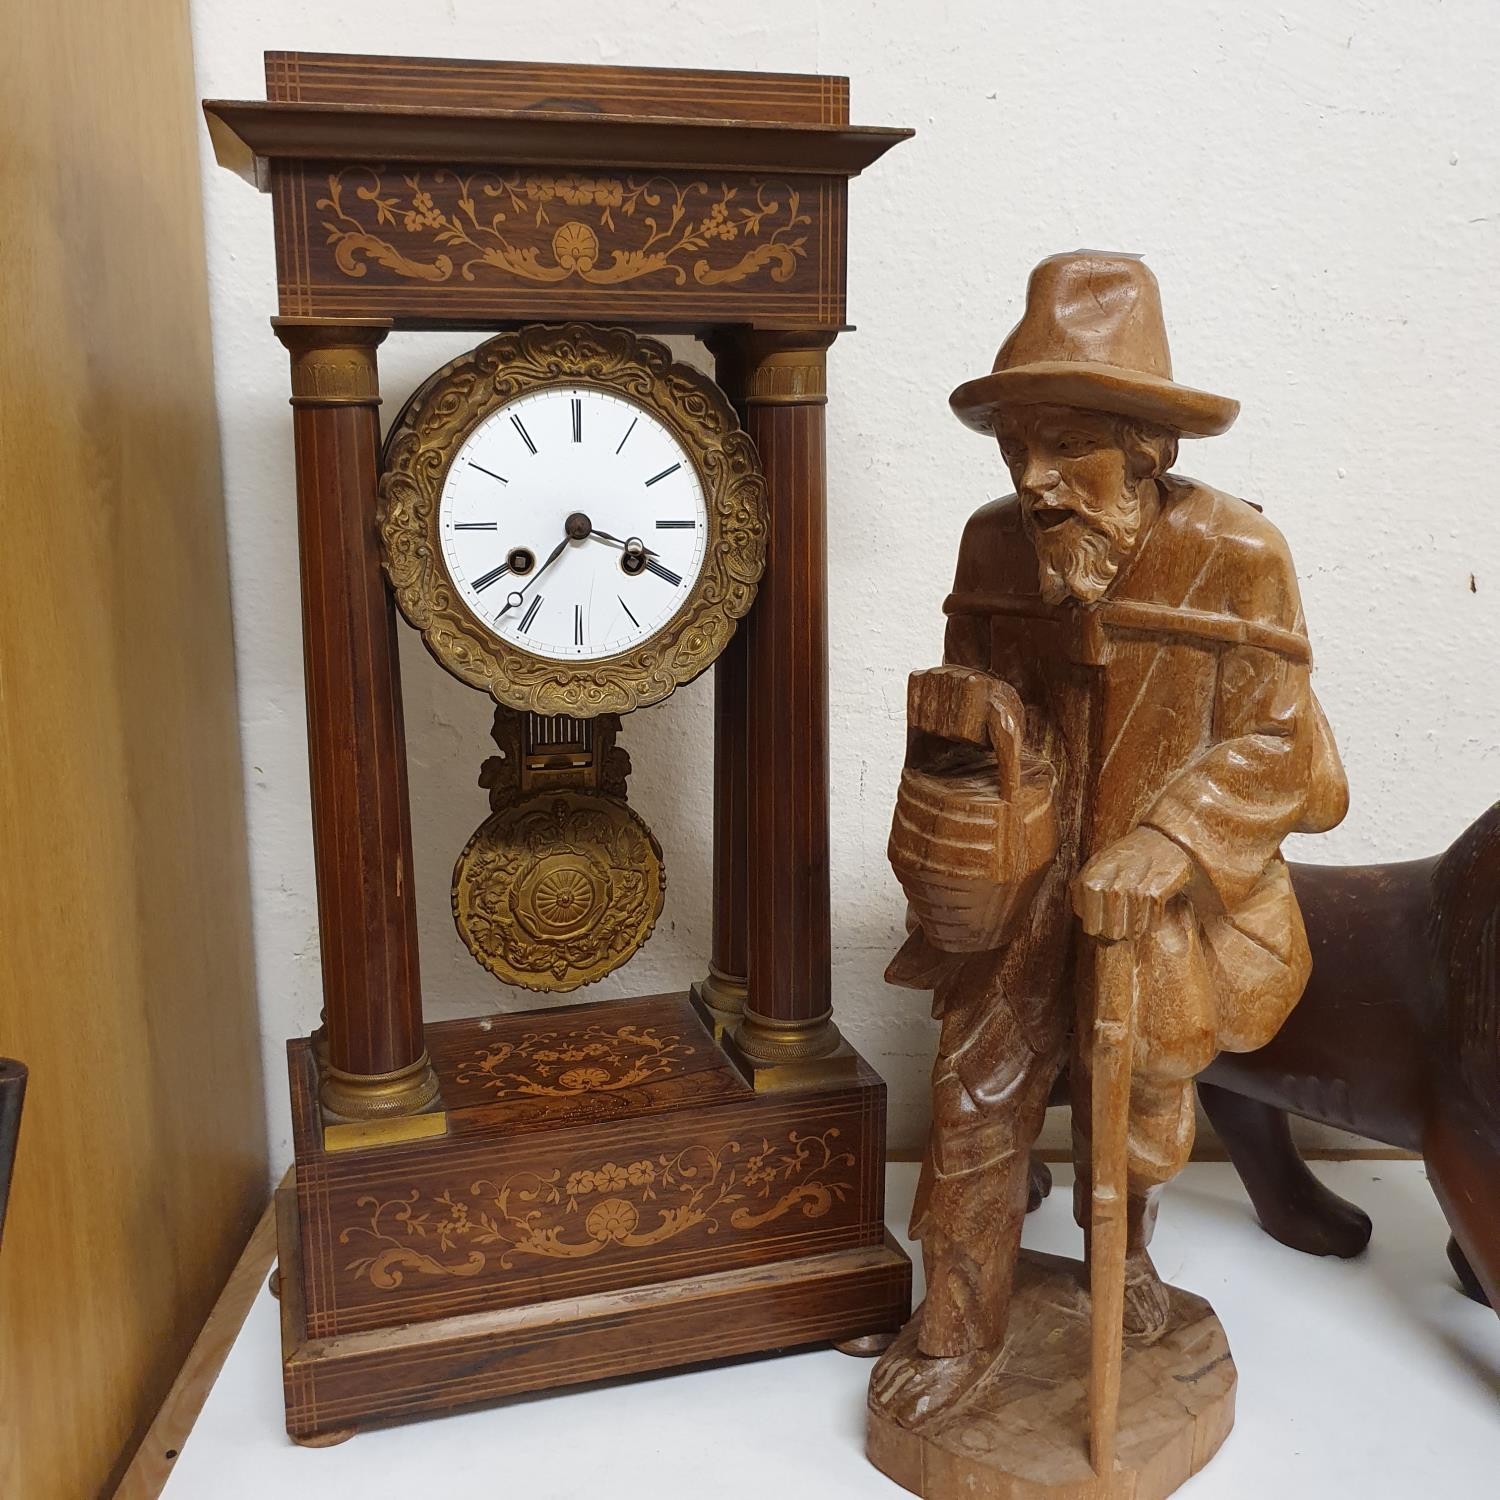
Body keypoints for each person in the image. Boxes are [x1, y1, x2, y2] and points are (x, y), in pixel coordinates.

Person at [888, 251, 1348, 1366]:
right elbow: (962, 708)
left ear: (1149, 449)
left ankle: (1125, 1260)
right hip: (1025, 879)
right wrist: (957, 786)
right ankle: (952, 1339)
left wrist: (1172, 834)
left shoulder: (1235, 558)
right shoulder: (995, 544)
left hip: (1164, 897)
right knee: (970, 1095)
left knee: (1133, 1118)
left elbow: (1292, 750)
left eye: (1067, 446)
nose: (1034, 477)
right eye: (1016, 447)